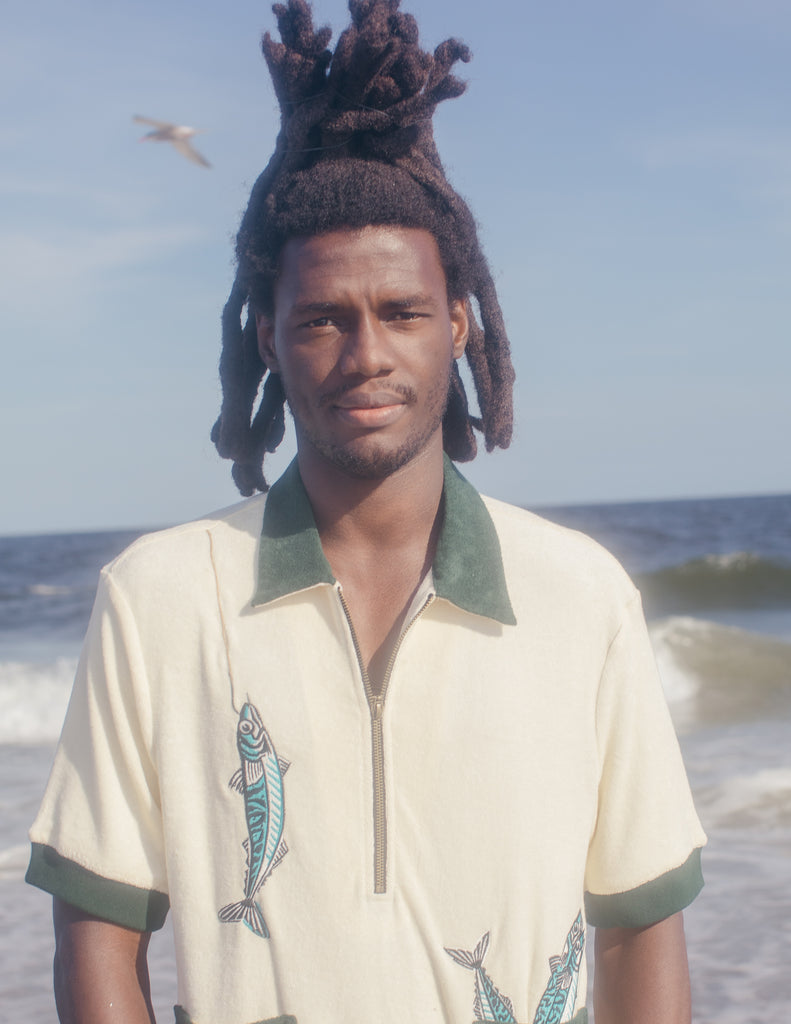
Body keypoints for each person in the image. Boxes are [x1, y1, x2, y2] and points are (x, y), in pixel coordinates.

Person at [26, 2, 706, 1023]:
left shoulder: (579, 595)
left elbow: (639, 925)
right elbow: (96, 936)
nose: (366, 355)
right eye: (321, 319)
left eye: (400, 312)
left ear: (458, 325)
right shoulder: (160, 596)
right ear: (266, 336)